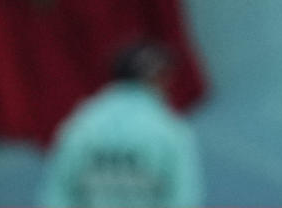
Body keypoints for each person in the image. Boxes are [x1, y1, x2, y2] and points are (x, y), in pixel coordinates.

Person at [38, 42, 203, 207]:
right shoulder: (168, 129)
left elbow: (57, 197)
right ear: (160, 77)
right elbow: (182, 199)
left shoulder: (81, 124)